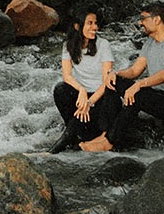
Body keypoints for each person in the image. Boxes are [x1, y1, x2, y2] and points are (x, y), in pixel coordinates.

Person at [78, 1, 164, 152]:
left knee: (137, 94)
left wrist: (139, 84)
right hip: (158, 98)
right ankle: (105, 133)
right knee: (113, 81)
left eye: (143, 18)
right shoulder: (149, 44)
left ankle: (110, 142)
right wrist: (115, 73)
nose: (139, 22)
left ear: (157, 19)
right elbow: (135, 71)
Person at [51, 9, 119, 151]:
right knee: (60, 89)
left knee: (112, 92)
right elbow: (67, 76)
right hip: (83, 96)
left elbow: (107, 81)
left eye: (95, 23)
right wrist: (81, 90)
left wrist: (89, 102)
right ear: (77, 26)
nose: (95, 27)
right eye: (89, 23)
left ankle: (57, 148)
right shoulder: (68, 45)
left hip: (100, 97)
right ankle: (77, 133)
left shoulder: (103, 45)